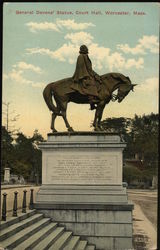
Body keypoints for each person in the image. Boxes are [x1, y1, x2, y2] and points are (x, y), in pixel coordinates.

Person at [72, 45, 102, 110]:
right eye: (85, 49)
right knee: (91, 84)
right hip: (83, 75)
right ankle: (91, 100)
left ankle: (92, 104)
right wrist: (95, 75)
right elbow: (88, 68)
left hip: (85, 74)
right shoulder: (82, 56)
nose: (87, 49)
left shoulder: (82, 56)